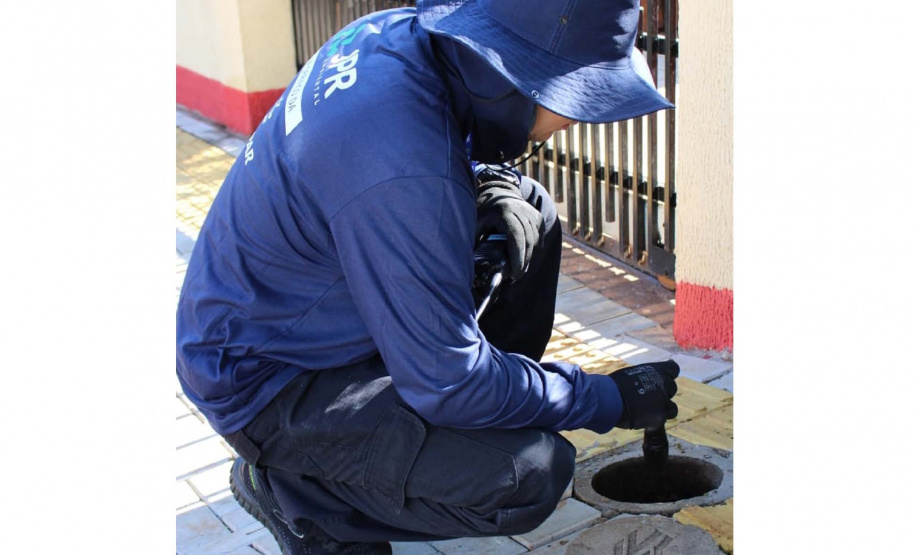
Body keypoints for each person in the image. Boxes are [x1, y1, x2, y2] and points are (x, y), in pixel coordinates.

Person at [176, 0, 680, 553]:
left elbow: (432, 149)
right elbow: (451, 381)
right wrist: (606, 398)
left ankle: (461, 427)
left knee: (528, 211)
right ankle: (300, 495)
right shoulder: (405, 172)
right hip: (266, 379)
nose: (574, 120)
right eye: (578, 98)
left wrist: (488, 178)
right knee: (527, 475)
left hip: (296, 310)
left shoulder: (394, 37)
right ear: (522, 79)